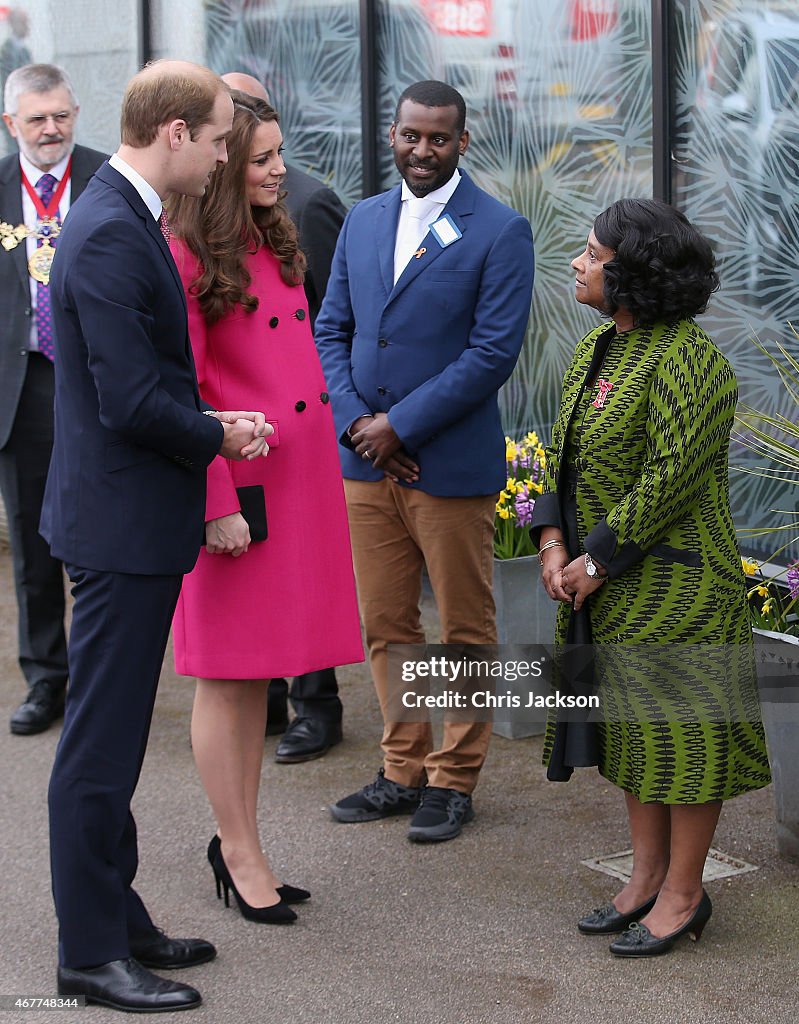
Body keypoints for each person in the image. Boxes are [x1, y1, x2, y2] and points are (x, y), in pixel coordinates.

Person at [42, 61, 271, 1013]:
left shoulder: (122, 214)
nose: (226, 154)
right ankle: (90, 955)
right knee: (97, 748)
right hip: (119, 525)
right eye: (220, 137)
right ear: (174, 131)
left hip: (129, 517)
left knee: (119, 737)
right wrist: (220, 432)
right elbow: (131, 400)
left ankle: (119, 917)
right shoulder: (107, 234)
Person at [531, 197, 771, 957]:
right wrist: (546, 540)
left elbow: (669, 479)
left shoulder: (690, 360)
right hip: (609, 590)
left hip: (677, 591)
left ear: (631, 272)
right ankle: (641, 881)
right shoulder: (594, 351)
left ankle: (682, 895)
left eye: (593, 254)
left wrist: (592, 561)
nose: (577, 261)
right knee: (633, 741)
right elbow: (556, 454)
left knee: (683, 745)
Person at [316, 80, 534, 843]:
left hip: (446, 466)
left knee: (464, 628)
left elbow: (490, 354)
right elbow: (331, 329)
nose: (421, 150)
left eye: (437, 139)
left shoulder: (499, 231)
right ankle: (401, 768)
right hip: (366, 465)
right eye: (410, 136)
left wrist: (400, 427)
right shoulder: (364, 219)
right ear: (392, 133)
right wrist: (359, 427)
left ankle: (453, 777)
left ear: (461, 142)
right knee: (386, 624)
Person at [167, 92, 362, 924]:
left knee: (264, 677)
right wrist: (214, 502)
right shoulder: (183, 254)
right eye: (259, 158)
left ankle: (244, 843)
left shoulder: (272, 232)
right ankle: (236, 848)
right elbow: (187, 392)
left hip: (299, 481)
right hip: (237, 491)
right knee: (228, 678)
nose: (279, 169)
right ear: (216, 163)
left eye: (279, 153)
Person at [221, 71, 349, 763]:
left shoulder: (309, 203)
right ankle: (267, 697)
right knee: (257, 592)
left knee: (306, 584)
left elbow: (327, 323)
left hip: (297, 435)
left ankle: (316, 703)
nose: (275, 166)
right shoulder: (194, 228)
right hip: (240, 442)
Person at [1, 65, 106, 736]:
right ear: (12, 125)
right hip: (22, 389)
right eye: (37, 119)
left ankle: (102, 679)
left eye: (61, 115)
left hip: (98, 384)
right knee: (35, 551)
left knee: (101, 539)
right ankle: (46, 679)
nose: (51, 130)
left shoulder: (106, 179)